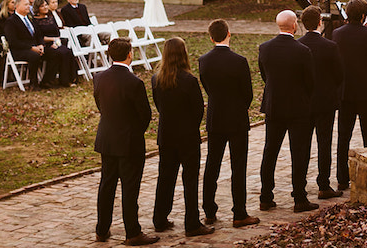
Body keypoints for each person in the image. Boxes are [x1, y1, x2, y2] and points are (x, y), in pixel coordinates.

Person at [93, 37, 158, 246]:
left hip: (107, 139)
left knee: (106, 186)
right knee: (130, 188)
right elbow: (144, 114)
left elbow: (100, 105)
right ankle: (132, 232)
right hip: (129, 142)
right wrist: (135, 132)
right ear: (130, 54)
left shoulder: (99, 77)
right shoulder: (134, 82)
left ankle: (101, 230)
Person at [198, 19, 258, 228]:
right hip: (237, 118)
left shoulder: (203, 60)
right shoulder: (239, 61)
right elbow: (247, 93)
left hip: (216, 117)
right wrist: (240, 106)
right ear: (228, 34)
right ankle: (239, 212)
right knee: (238, 165)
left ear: (211, 37)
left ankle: (208, 210)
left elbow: (207, 86)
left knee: (211, 165)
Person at [151, 37, 213, 237]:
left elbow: (159, 105)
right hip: (187, 136)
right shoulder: (189, 80)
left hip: (166, 134)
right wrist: (191, 126)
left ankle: (159, 218)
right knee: (190, 179)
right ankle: (192, 223)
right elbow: (197, 110)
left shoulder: (157, 79)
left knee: (165, 177)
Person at [257, 10, 317, 213]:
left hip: (274, 106)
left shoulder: (264, 48)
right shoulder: (302, 50)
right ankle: (299, 198)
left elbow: (265, 75)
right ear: (294, 26)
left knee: (270, 151)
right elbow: (310, 81)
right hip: (297, 107)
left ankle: (266, 196)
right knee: (298, 153)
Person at [333, 0, 367, 189]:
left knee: (343, 136)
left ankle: (342, 178)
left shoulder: (337, 34)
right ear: (363, 16)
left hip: (345, 92)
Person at [298, 5, 344, 199]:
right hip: (325, 100)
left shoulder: (298, 45)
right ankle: (323, 184)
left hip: (304, 101)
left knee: (302, 145)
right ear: (319, 22)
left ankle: (299, 185)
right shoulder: (330, 46)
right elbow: (339, 74)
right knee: (324, 143)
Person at [3, 0, 53, 88]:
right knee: (34, 56)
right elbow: (13, 41)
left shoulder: (30, 18)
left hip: (35, 47)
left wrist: (41, 44)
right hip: (20, 50)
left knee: (54, 53)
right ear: (17, 6)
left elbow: (39, 34)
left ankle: (47, 80)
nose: (28, 7)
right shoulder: (11, 22)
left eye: (29, 5)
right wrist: (31, 48)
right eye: (25, 5)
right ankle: (33, 83)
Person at [32, 0, 77, 86]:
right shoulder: (35, 21)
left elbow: (57, 32)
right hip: (44, 45)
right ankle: (48, 80)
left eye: (46, 5)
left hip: (56, 42)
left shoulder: (50, 18)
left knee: (67, 51)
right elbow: (38, 36)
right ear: (38, 8)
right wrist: (52, 40)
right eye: (42, 6)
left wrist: (56, 41)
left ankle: (68, 79)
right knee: (59, 53)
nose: (45, 7)